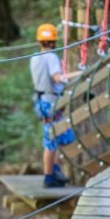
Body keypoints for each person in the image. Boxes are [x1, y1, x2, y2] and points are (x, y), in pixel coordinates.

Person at [30, 23, 82, 188]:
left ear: (39, 41)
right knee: (51, 140)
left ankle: (55, 170)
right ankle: (49, 176)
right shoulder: (51, 57)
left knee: (58, 137)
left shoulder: (35, 58)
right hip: (50, 102)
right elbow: (58, 78)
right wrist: (80, 73)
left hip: (42, 101)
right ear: (54, 40)